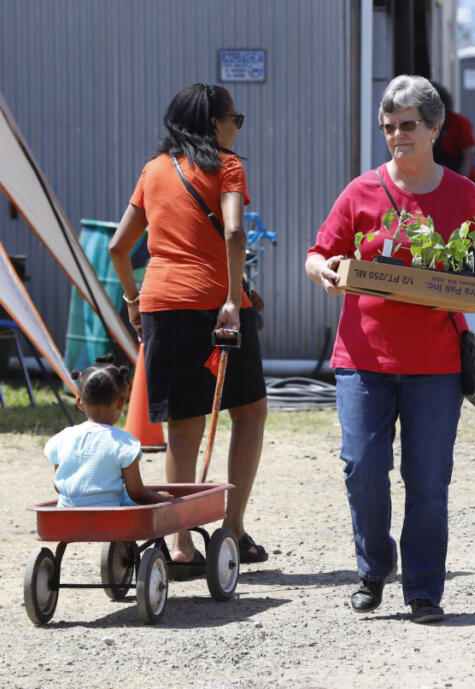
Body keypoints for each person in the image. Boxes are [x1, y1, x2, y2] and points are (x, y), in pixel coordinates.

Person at [306, 75, 475, 624]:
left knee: (428, 479)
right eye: (389, 127)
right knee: (362, 468)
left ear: (435, 128)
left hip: (435, 363)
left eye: (408, 125)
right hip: (363, 359)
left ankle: (425, 590)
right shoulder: (361, 191)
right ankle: (374, 566)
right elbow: (318, 253)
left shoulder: (461, 194)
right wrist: (326, 271)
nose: (396, 135)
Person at [109, 82, 269, 576]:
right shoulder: (228, 166)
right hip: (216, 306)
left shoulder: (153, 171)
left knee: (181, 427)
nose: (236, 128)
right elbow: (236, 230)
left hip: (161, 303)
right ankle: (234, 529)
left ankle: (180, 545)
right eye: (234, 119)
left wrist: (134, 302)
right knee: (250, 411)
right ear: (214, 123)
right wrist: (229, 299)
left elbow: (118, 246)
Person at [46, 363, 171, 508]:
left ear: (79, 402)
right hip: (108, 519)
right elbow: (137, 493)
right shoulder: (124, 443)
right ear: (121, 402)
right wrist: (163, 499)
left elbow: (58, 485)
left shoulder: (63, 438)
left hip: (65, 516)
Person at [431, 81, 475, 183]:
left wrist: (460, 183)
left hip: (460, 180)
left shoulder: (459, 122)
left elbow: (469, 156)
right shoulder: (421, 124)